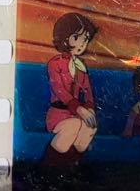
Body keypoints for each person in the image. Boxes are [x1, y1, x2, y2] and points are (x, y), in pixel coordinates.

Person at [42, 12, 100, 172]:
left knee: (90, 127)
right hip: (58, 114)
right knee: (74, 125)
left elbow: (88, 91)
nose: (82, 43)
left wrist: (90, 108)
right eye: (77, 38)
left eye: (85, 39)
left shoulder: (81, 66)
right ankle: (49, 167)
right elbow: (60, 90)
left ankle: (72, 166)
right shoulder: (55, 64)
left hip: (77, 114)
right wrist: (79, 109)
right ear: (64, 38)